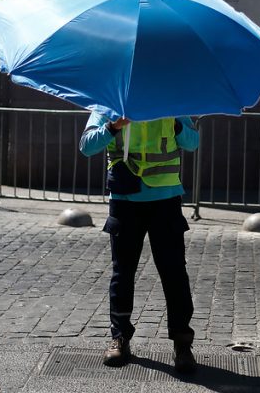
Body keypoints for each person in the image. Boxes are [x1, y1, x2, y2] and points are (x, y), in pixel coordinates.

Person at [79, 113, 199, 373]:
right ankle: (120, 337)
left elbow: (192, 143)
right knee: (122, 273)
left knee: (174, 273)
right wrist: (113, 127)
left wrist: (176, 124)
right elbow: (87, 146)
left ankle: (182, 344)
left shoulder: (172, 103)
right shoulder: (109, 102)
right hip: (125, 199)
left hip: (165, 199)